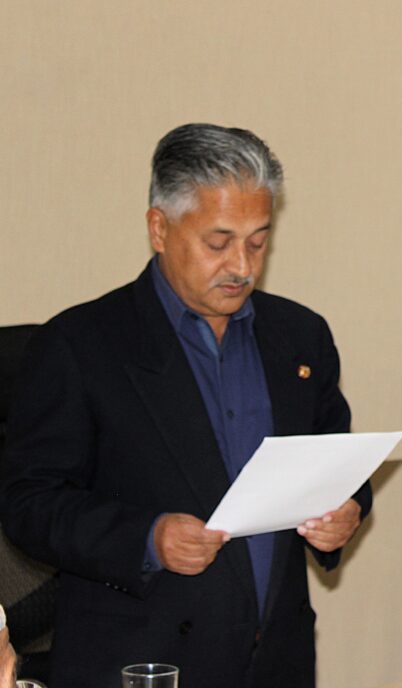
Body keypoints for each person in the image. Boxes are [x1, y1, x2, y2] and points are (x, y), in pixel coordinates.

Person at [0, 124, 372, 688]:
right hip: (140, 661)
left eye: (258, 241)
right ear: (159, 228)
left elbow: (336, 461)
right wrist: (146, 538)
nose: (242, 266)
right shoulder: (82, 344)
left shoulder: (300, 337)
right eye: (218, 243)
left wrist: (346, 511)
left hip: (276, 659)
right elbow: (29, 503)